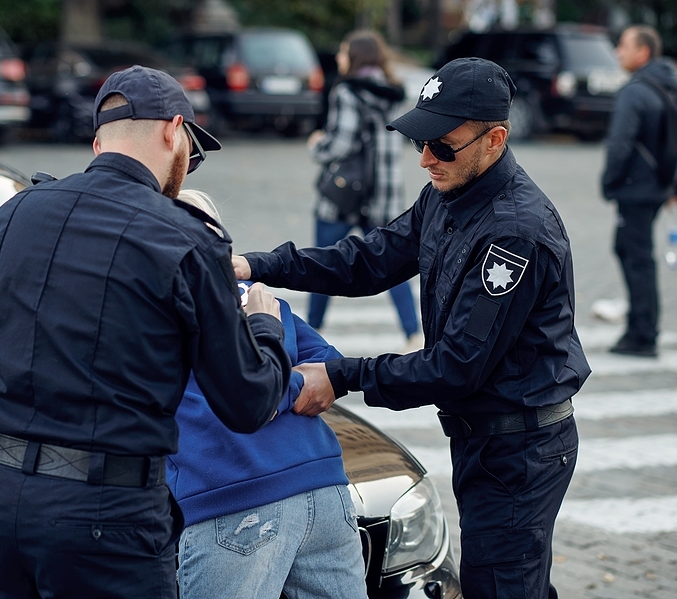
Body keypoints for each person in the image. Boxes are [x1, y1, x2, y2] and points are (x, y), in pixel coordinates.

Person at [0, 189, 368, 599]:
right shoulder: (265, 304)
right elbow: (326, 369)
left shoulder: (148, 315)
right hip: (327, 495)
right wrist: (284, 381)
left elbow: (49, 400)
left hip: (234, 507)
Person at [233, 57, 591, 599]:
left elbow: (455, 367)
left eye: (442, 145)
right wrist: (258, 266)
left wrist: (340, 375)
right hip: (486, 437)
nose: (425, 159)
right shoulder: (448, 193)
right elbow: (369, 260)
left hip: (519, 447)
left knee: (500, 585)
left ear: (495, 140)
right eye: (419, 141)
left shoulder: (515, 233)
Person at [0, 66, 292, 599]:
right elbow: (247, 402)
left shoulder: (13, 214)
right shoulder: (184, 238)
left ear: (98, 141)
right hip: (104, 514)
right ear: (173, 130)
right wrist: (263, 325)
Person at [307, 30, 423, 352]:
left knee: (322, 264)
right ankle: (413, 335)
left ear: (355, 56)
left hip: (345, 195)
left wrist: (317, 146)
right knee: (392, 265)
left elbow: (341, 144)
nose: (339, 58)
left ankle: (311, 332)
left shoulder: (346, 91)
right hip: (384, 195)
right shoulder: (394, 93)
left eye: (343, 52)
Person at [601, 24, 677, 357]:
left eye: (624, 45)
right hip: (658, 188)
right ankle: (643, 328)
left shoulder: (635, 91)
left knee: (635, 257)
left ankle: (642, 335)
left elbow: (619, 144)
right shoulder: (670, 84)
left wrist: (609, 182)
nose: (618, 52)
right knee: (637, 254)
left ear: (644, 52)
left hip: (635, 190)